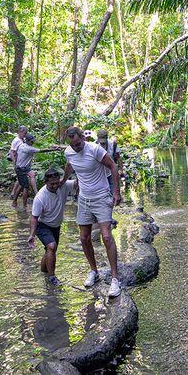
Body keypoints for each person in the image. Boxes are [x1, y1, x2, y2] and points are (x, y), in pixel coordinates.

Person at [62, 126, 122, 298]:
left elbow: (113, 167)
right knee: (83, 237)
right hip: (84, 199)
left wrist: (116, 192)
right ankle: (94, 271)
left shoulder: (95, 150)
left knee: (107, 236)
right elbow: (69, 165)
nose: (76, 147)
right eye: (73, 145)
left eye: (78, 143)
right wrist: (63, 181)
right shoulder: (69, 152)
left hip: (102, 196)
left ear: (83, 138)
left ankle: (115, 279)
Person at [27, 169, 76, 286]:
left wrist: (79, 167)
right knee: (51, 246)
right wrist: (32, 235)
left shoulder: (63, 185)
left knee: (50, 250)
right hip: (42, 225)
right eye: (52, 184)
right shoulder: (40, 197)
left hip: (56, 225)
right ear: (45, 182)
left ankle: (44, 272)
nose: (55, 186)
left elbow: (78, 183)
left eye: (56, 182)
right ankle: (52, 277)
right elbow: (34, 217)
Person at [12, 134, 60, 208]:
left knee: (30, 176)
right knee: (25, 187)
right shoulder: (28, 149)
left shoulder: (22, 145)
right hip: (21, 169)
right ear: (27, 141)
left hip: (23, 167)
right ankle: (24, 206)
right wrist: (54, 149)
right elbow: (42, 150)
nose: (33, 143)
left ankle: (35, 193)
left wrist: (51, 146)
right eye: (31, 141)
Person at [9, 126, 38, 200]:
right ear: (20, 132)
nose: (25, 134)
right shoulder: (16, 140)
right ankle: (14, 197)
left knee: (31, 176)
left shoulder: (22, 140)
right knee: (23, 185)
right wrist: (14, 163)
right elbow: (12, 152)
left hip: (25, 165)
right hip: (19, 165)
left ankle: (36, 193)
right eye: (25, 133)